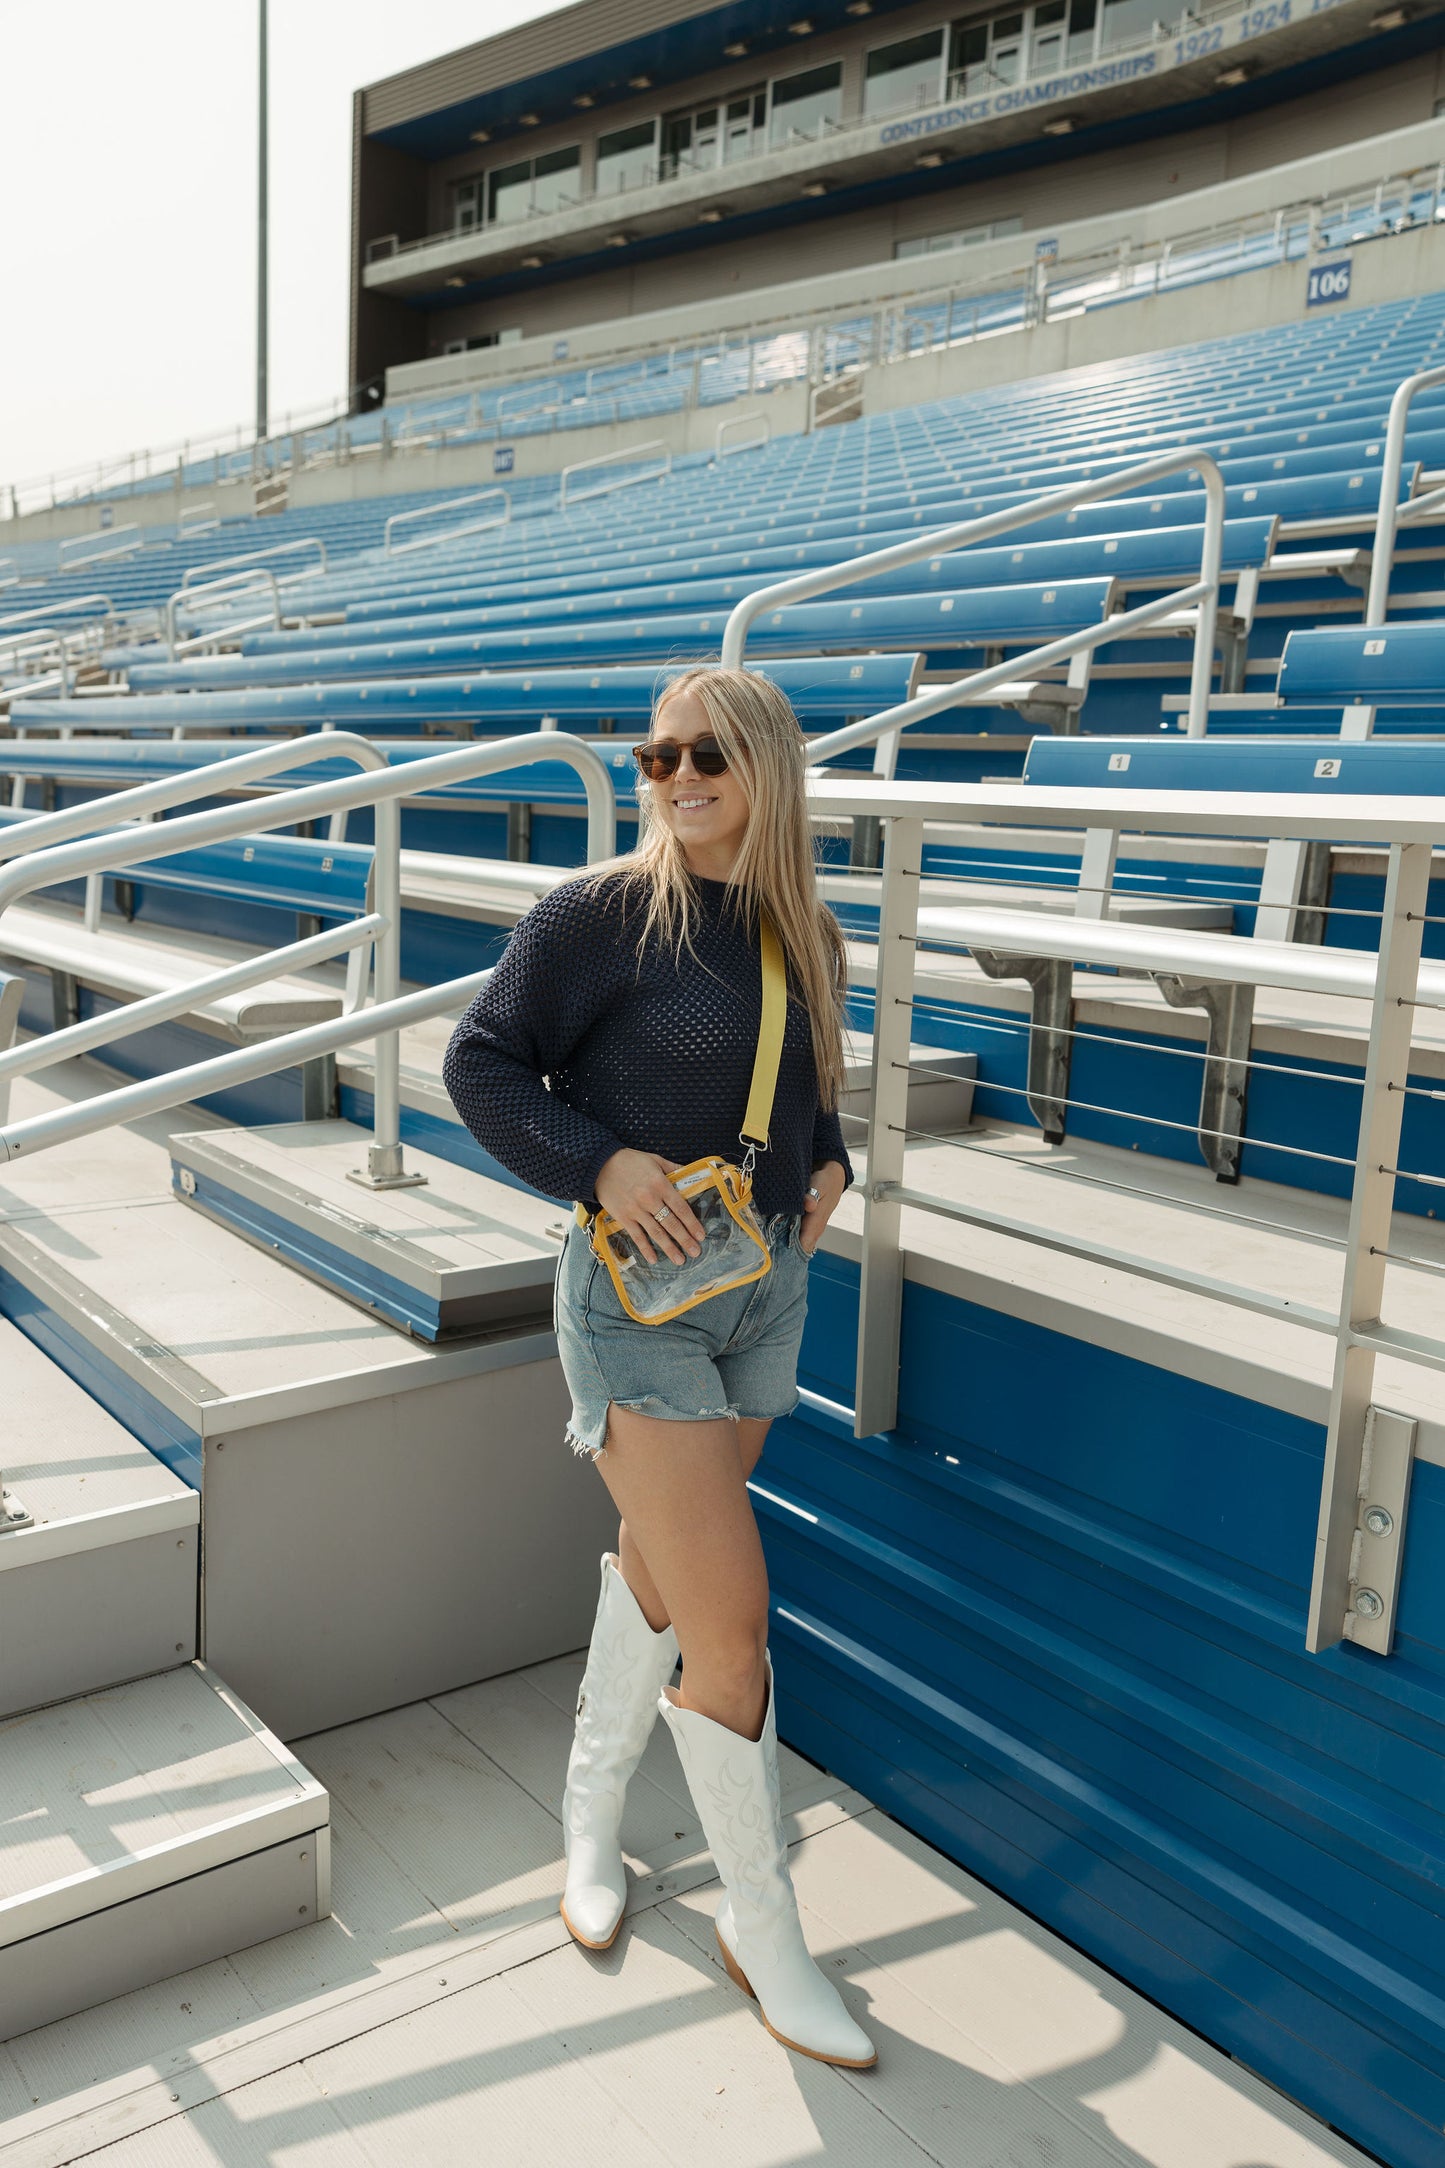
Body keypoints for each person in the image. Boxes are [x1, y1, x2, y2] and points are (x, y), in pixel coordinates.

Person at [442, 664, 876, 2070]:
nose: (676, 776)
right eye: (654, 755)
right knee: (732, 1625)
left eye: (706, 753)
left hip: (759, 1294)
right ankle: (764, 1927)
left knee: (662, 1564)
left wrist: (827, 1163)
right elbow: (480, 1063)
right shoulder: (599, 915)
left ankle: (586, 1817)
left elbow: (802, 1084)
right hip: (635, 1303)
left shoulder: (800, 922)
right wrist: (601, 1159)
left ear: (765, 765)